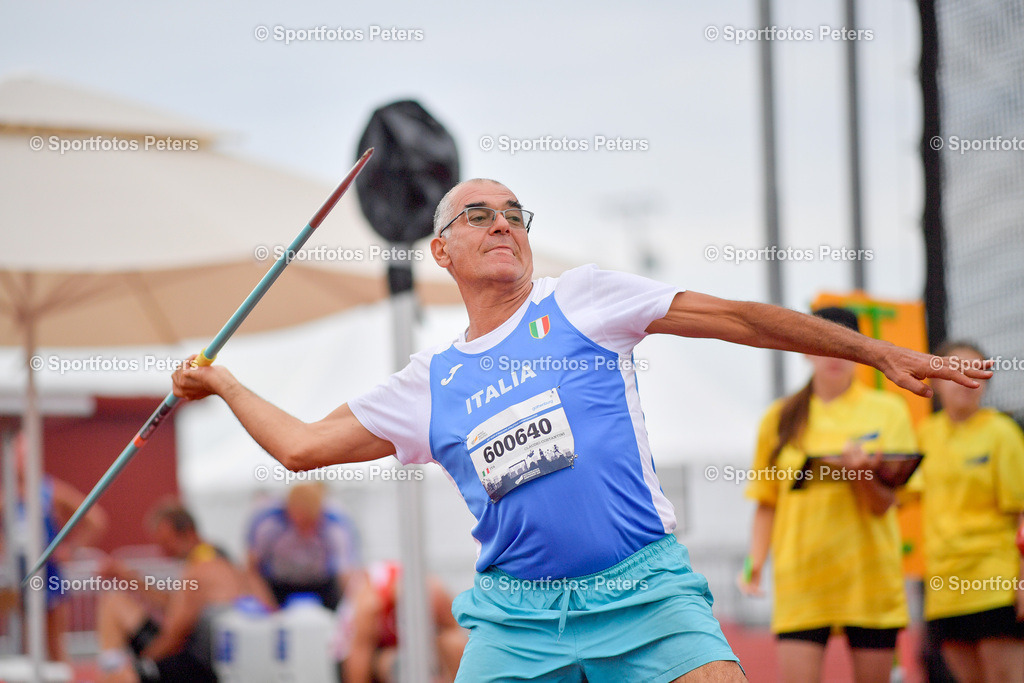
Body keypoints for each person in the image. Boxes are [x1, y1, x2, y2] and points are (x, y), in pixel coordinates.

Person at [171, 178, 989, 682]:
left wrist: (876, 351)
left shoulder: (582, 300)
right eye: (478, 213)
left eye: (513, 212)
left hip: (644, 589)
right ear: (441, 250)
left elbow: (737, 316)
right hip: (518, 617)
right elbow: (301, 446)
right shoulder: (431, 380)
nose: (501, 222)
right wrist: (226, 381)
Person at [738, 307, 917, 683]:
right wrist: (754, 565)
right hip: (802, 581)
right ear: (804, 349)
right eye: (822, 342)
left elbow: (885, 504)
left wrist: (863, 476)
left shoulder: (889, 410)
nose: (833, 355)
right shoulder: (780, 417)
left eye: (845, 345)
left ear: (861, 351)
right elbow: (767, 501)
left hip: (869, 580)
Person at [911, 341, 1024, 683]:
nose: (965, 378)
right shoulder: (924, 437)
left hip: (995, 582)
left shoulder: (1001, 433)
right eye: (954, 368)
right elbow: (895, 496)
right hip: (944, 589)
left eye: (976, 370)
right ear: (937, 379)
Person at [96, 501, 273, 683]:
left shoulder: (199, 568)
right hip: (223, 653)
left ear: (188, 533)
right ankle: (112, 666)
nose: (164, 553)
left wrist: (140, 665)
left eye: (166, 543)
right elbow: (178, 604)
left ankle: (111, 668)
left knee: (119, 672)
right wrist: (129, 578)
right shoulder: (220, 558)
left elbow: (175, 634)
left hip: (201, 662)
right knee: (116, 603)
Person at [0, 430, 108, 663]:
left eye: (25, 455)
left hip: (49, 574)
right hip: (19, 575)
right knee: (26, 644)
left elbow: (95, 520)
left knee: (54, 645)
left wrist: (71, 549)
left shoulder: (50, 491)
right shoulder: (5, 497)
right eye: (16, 455)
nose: (20, 461)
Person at [343, 561, 467, 683]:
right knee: (392, 662)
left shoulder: (435, 594)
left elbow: (457, 641)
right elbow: (358, 662)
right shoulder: (372, 604)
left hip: (419, 649)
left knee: (453, 644)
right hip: (369, 654)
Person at [246, 482, 362, 609]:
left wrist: (349, 609)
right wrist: (269, 607)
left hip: (322, 583)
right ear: (289, 511)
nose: (305, 531)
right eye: (300, 521)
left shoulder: (335, 526)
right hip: (277, 583)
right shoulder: (268, 524)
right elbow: (252, 569)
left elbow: (346, 572)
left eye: (310, 522)